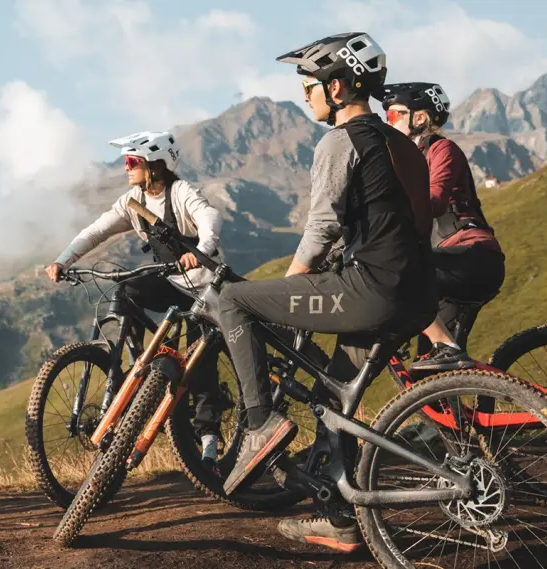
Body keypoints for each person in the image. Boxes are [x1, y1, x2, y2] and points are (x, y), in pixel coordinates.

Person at [215, 32, 438, 552]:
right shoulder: (401, 143)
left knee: (233, 300)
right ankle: (339, 517)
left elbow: (321, 228)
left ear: (336, 87)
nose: (305, 95)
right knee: (332, 396)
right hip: (417, 295)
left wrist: (291, 289)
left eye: (308, 85)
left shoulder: (340, 142)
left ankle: (259, 424)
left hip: (372, 292)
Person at [44, 131, 229, 470]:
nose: (126, 167)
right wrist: (63, 260)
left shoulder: (181, 192)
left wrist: (201, 250)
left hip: (204, 287)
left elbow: (209, 217)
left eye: (132, 161)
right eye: (126, 161)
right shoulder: (133, 201)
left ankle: (209, 439)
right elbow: (97, 231)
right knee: (127, 291)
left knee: (200, 361)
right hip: (172, 282)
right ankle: (142, 364)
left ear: (155, 165)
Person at [381, 82, 505, 370]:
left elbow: (435, 201)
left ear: (420, 118)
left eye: (393, 115)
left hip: (474, 257)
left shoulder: (442, 149)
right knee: (429, 371)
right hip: (442, 267)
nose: (388, 122)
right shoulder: (403, 161)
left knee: (399, 274)